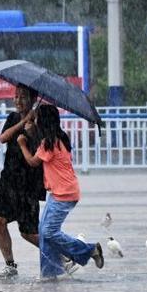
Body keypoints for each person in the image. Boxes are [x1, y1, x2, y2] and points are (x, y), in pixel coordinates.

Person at [17, 104, 104, 279]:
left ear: (43, 122)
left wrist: (22, 144)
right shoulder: (57, 139)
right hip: (59, 192)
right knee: (44, 231)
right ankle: (50, 272)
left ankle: (89, 250)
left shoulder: (49, 143)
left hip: (64, 194)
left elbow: (33, 162)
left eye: (37, 119)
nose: (35, 121)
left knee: (49, 232)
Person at [0, 86, 46, 280]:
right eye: (15, 96)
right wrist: (23, 121)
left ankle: (63, 253)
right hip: (8, 179)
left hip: (29, 182)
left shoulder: (41, 120)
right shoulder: (13, 118)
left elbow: (44, 147)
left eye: (22, 97)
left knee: (28, 233)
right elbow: (3, 138)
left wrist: (33, 132)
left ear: (33, 99)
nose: (17, 100)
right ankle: (10, 265)